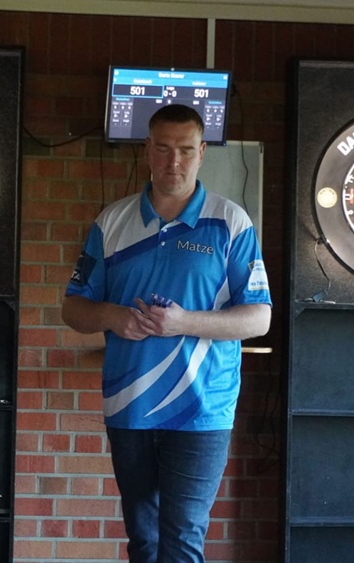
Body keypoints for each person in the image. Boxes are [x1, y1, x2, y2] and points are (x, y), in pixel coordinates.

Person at [62, 104, 272, 563]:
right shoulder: (112, 222)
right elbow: (73, 308)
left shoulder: (231, 222)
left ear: (202, 153)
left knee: (182, 540)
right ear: (147, 150)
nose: (173, 161)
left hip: (202, 409)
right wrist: (113, 317)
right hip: (130, 406)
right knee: (144, 540)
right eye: (162, 149)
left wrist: (183, 322)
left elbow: (259, 319)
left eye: (185, 150)